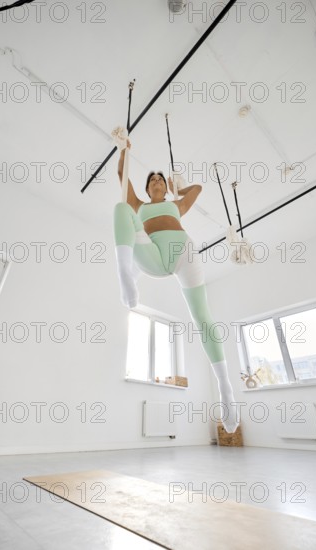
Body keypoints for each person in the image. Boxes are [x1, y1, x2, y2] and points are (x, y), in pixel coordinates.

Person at [114, 138, 239, 433]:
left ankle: (226, 390)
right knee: (120, 208)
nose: (157, 181)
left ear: (164, 186)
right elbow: (123, 176)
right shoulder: (139, 205)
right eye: (152, 180)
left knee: (203, 317)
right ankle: (125, 274)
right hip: (154, 256)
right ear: (147, 189)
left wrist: (178, 186)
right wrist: (124, 149)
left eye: (160, 179)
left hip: (185, 253)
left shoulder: (175, 204)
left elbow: (197, 190)